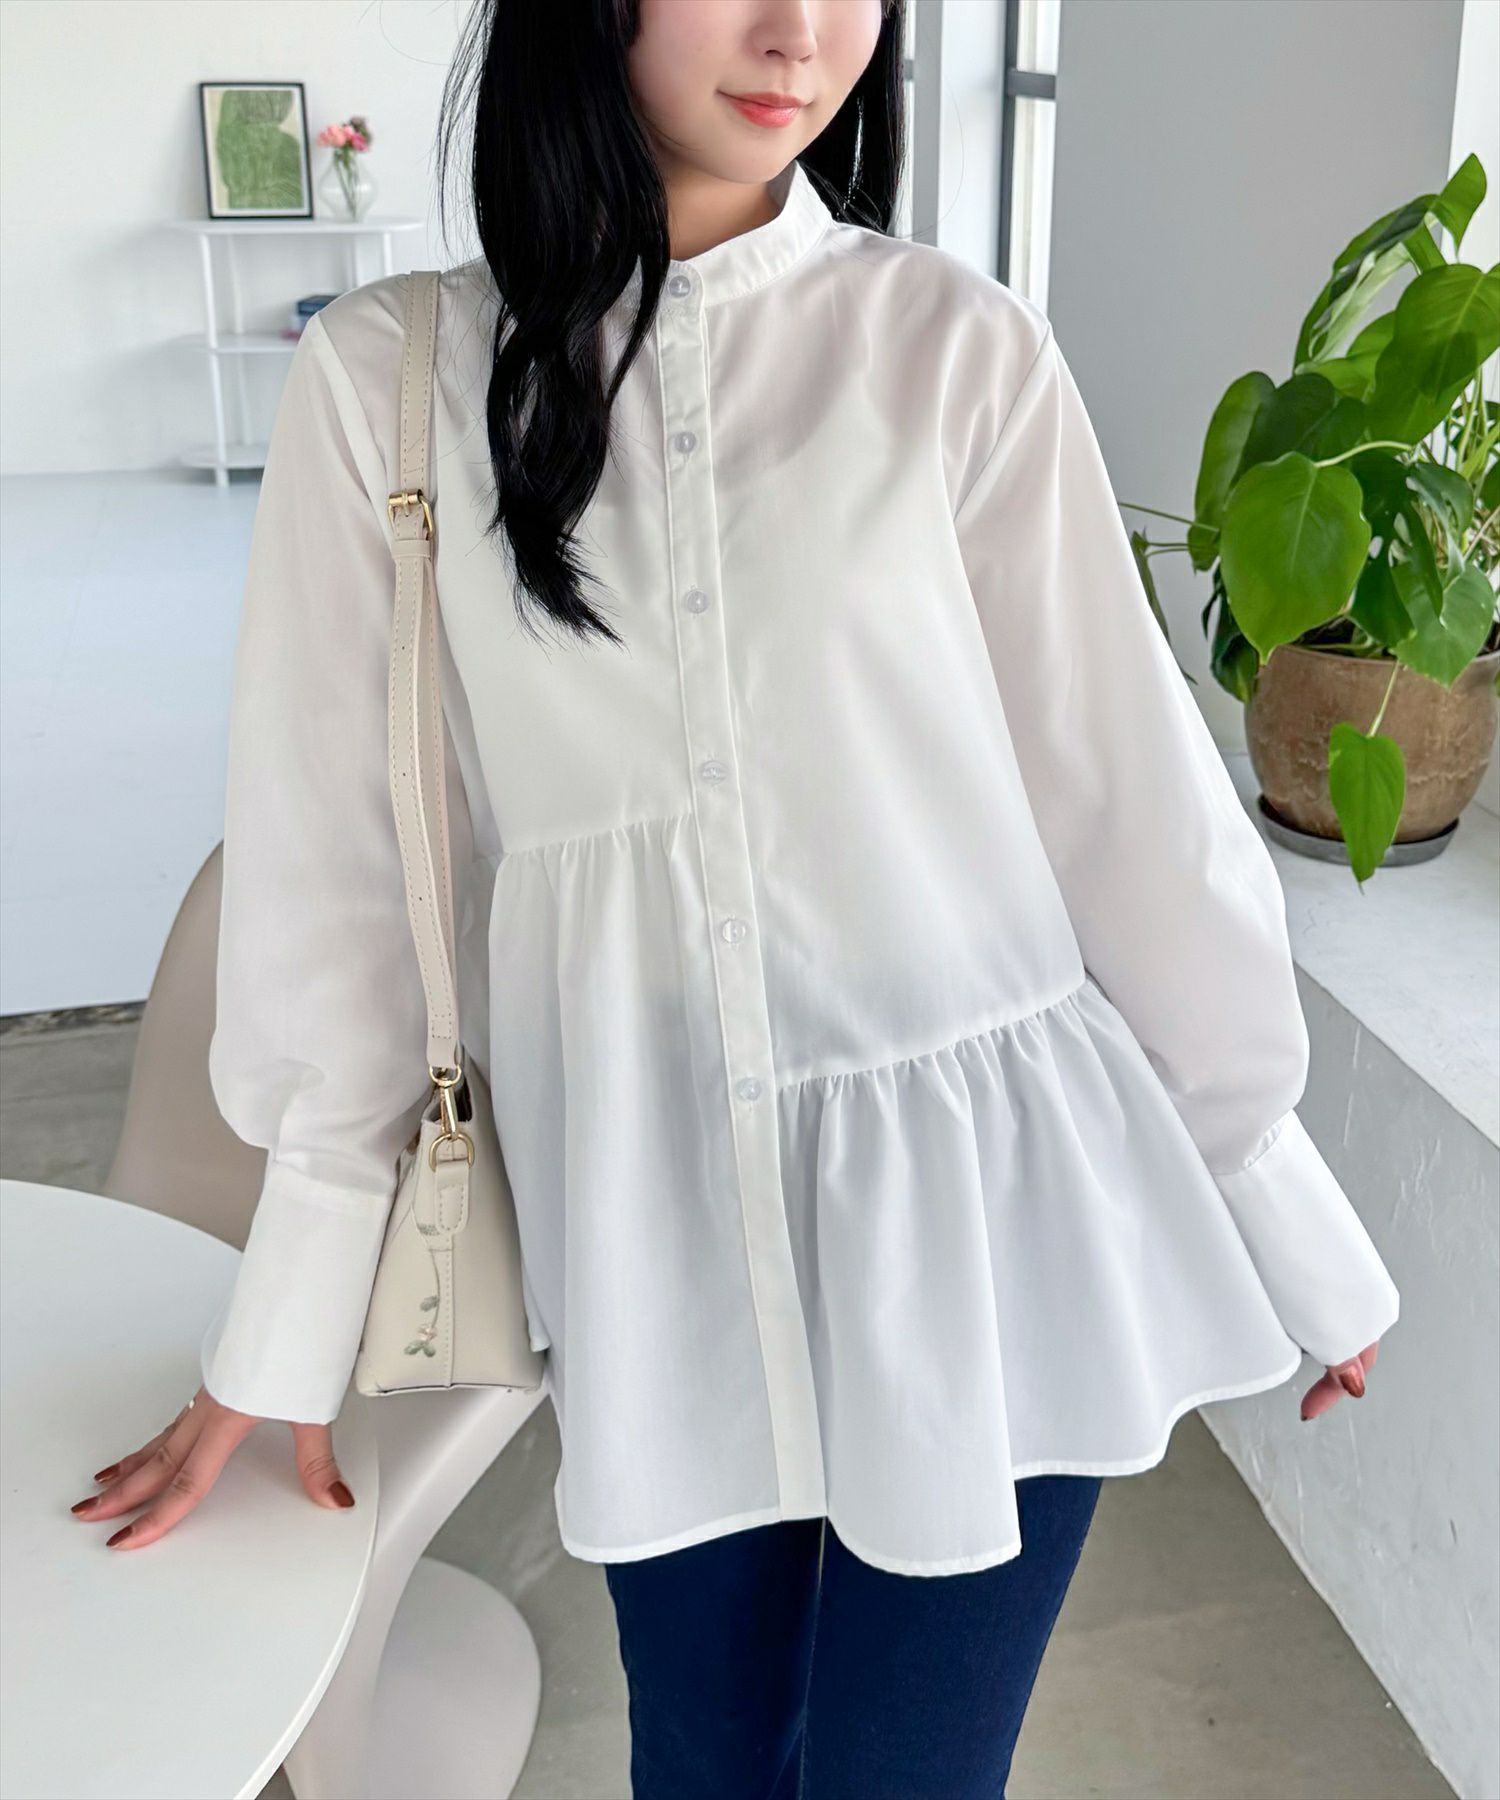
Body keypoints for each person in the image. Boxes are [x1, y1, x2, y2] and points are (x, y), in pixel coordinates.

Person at [76, 2, 1400, 1792]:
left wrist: (1277, 1202)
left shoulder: (953, 349)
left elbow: (1127, 813)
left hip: (985, 1227)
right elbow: (346, 874)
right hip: (654, 1243)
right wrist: (284, 1334)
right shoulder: (391, 383)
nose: (800, 32)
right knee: (702, 1766)